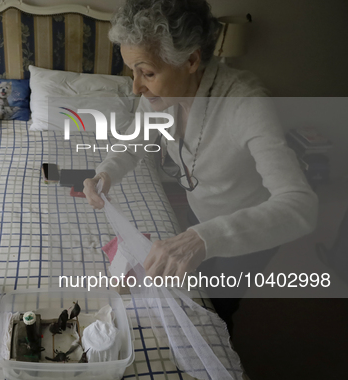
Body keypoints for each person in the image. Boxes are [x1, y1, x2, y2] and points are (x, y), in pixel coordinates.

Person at [83, 0, 318, 331]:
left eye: (147, 73)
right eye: (132, 71)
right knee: (199, 286)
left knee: (220, 304)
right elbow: (133, 143)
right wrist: (105, 172)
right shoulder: (157, 98)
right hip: (199, 213)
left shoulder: (246, 103)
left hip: (248, 223)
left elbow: (301, 207)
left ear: (191, 60)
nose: (136, 86)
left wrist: (202, 238)